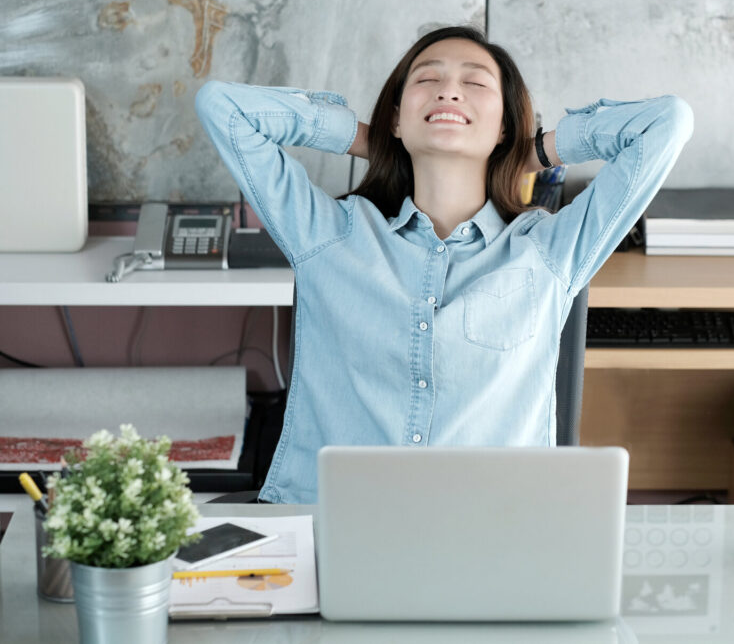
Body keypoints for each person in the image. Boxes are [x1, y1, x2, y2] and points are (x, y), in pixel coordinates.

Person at [195, 25, 693, 504]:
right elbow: (224, 106)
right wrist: (367, 139)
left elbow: (666, 122)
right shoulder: (328, 235)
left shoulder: (548, 250)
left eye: (475, 82)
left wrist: (536, 149)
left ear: (503, 125)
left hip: (492, 533)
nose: (449, 92)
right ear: (395, 116)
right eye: (427, 80)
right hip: (333, 521)